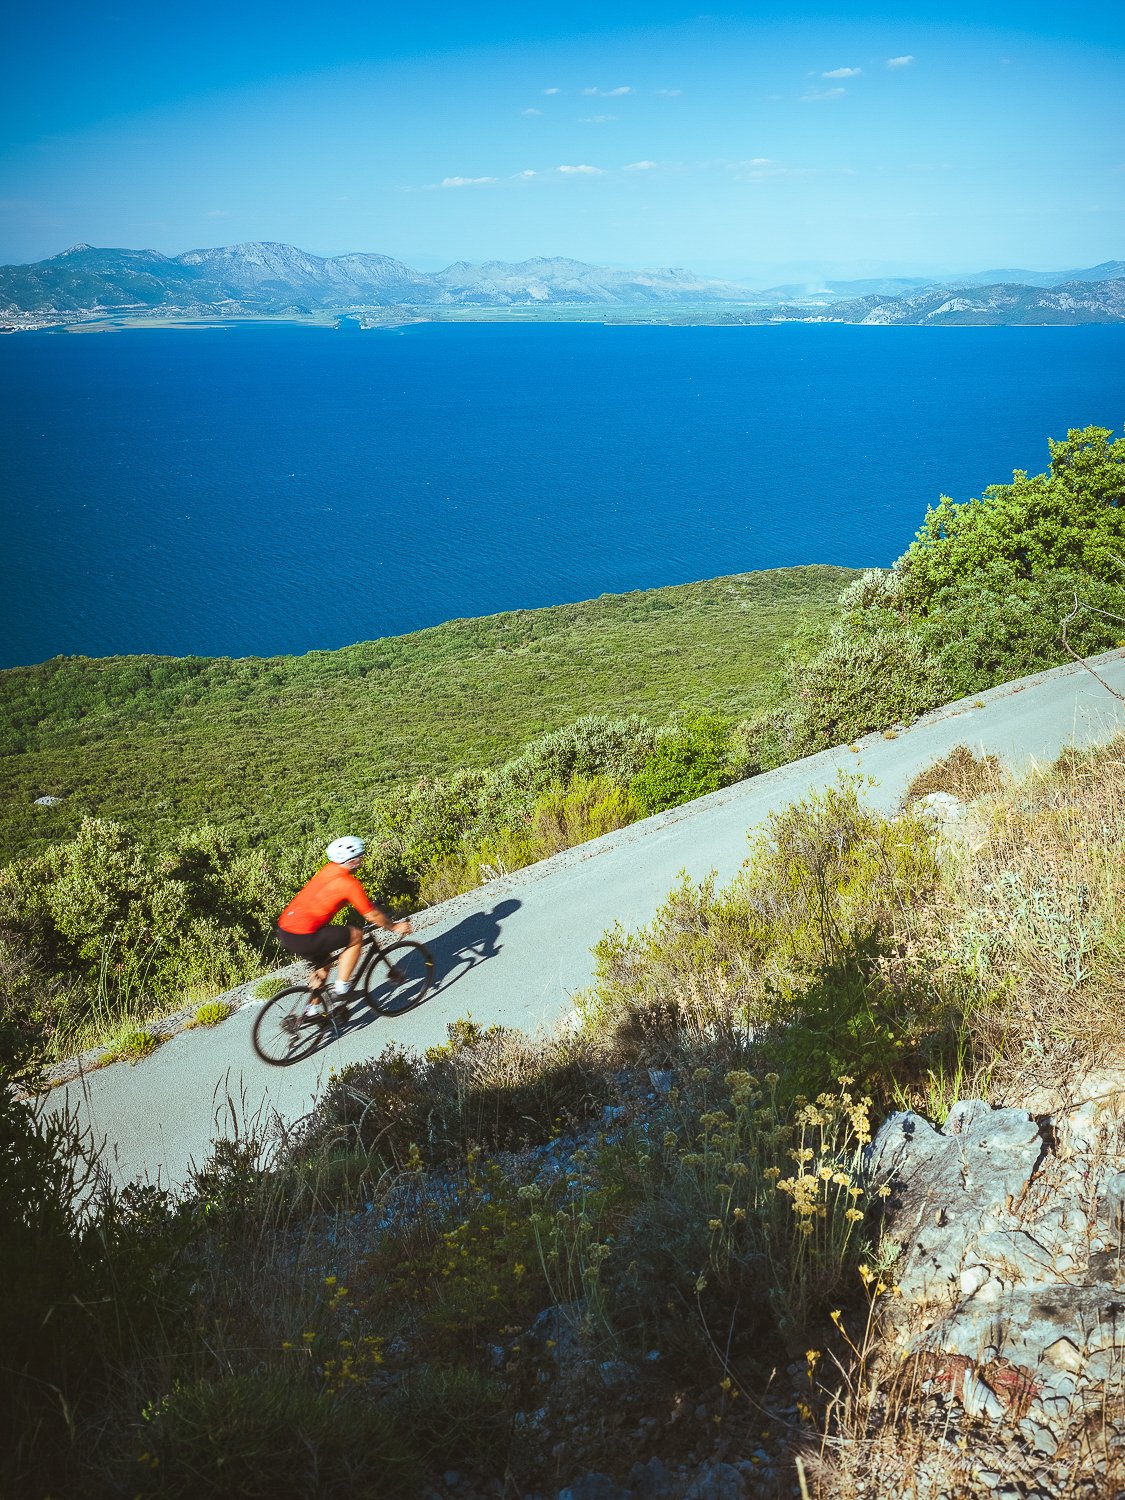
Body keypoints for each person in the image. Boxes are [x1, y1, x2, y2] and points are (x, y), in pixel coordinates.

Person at [274, 836, 412, 1018]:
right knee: (356, 936)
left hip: (286, 931)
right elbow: (370, 915)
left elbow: (330, 896)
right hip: (304, 935)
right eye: (360, 856)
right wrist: (394, 927)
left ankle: (311, 1011)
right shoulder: (349, 884)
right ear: (352, 860)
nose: (362, 859)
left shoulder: (327, 870)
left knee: (324, 965)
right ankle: (341, 988)